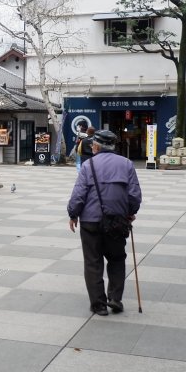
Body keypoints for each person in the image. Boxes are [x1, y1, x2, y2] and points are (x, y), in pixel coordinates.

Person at [67, 130, 142, 316]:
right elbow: (134, 194)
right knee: (117, 259)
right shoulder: (126, 164)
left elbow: (79, 194)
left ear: (96, 146)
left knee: (93, 262)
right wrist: (130, 212)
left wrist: (73, 214)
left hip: (90, 221)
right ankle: (115, 298)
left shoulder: (88, 165)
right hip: (117, 221)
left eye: (93, 144)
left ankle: (99, 305)